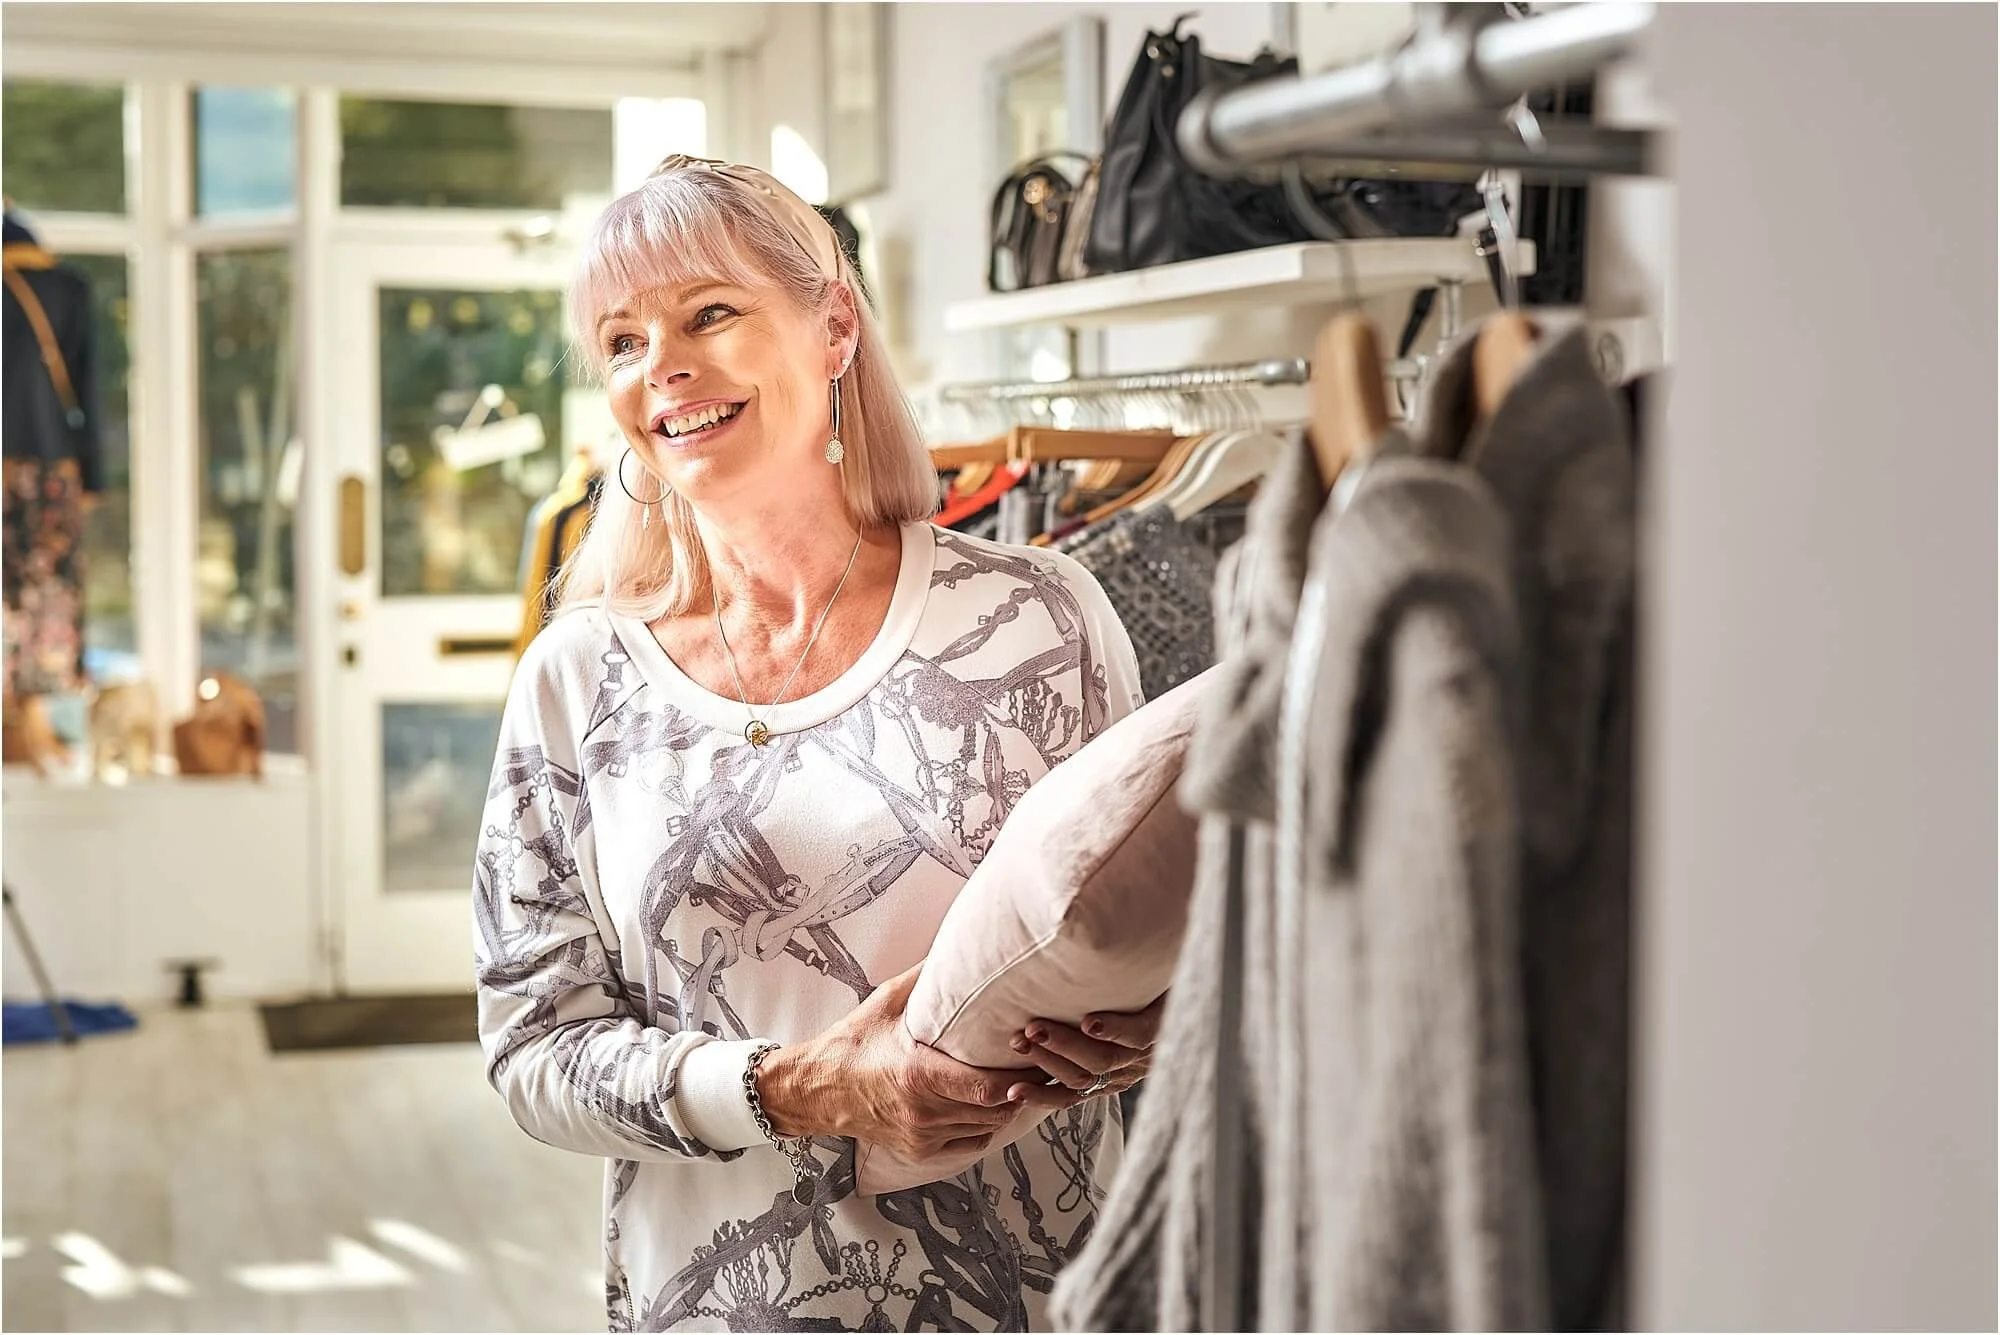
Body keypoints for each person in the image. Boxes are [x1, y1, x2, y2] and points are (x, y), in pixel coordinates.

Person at [472, 156, 1162, 1333]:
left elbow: (1149, 937)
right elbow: (533, 1052)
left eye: (709, 314)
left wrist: (1142, 1024)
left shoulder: (1041, 617)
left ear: (833, 325)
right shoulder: (576, 680)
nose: (663, 369)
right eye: (624, 342)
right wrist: (798, 1090)